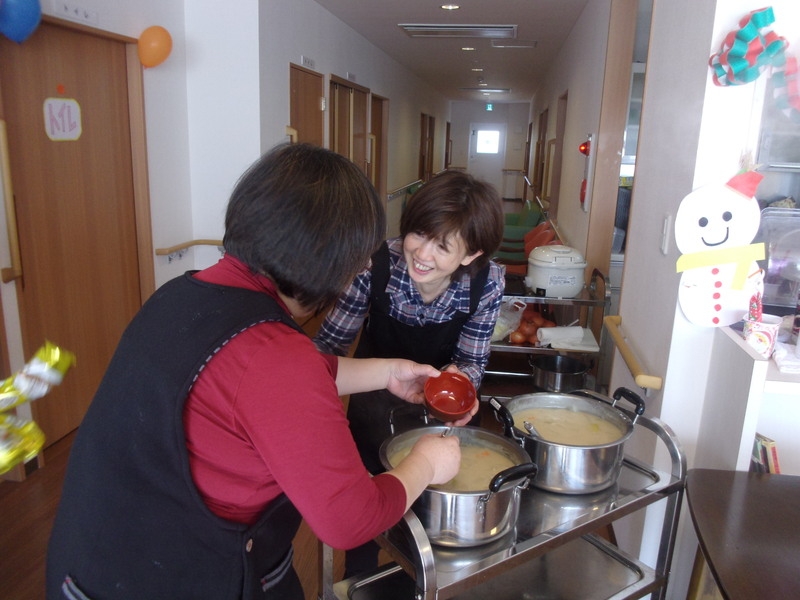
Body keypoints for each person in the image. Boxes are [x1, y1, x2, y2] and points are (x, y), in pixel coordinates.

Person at [45, 143, 462, 600]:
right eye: (356, 252)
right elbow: (349, 520)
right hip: (169, 576)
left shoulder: (181, 295)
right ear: (320, 253)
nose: (365, 264)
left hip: (93, 557)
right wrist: (425, 463)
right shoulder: (275, 358)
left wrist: (388, 373)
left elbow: (269, 381)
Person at [314, 169, 506, 577]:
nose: (421, 253)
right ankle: (362, 579)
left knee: (431, 503)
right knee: (365, 500)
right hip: (372, 393)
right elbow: (328, 346)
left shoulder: (485, 283)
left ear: (470, 255)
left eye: (443, 246)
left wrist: (461, 384)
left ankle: (420, 580)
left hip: (433, 405)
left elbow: (473, 360)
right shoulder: (375, 264)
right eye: (419, 234)